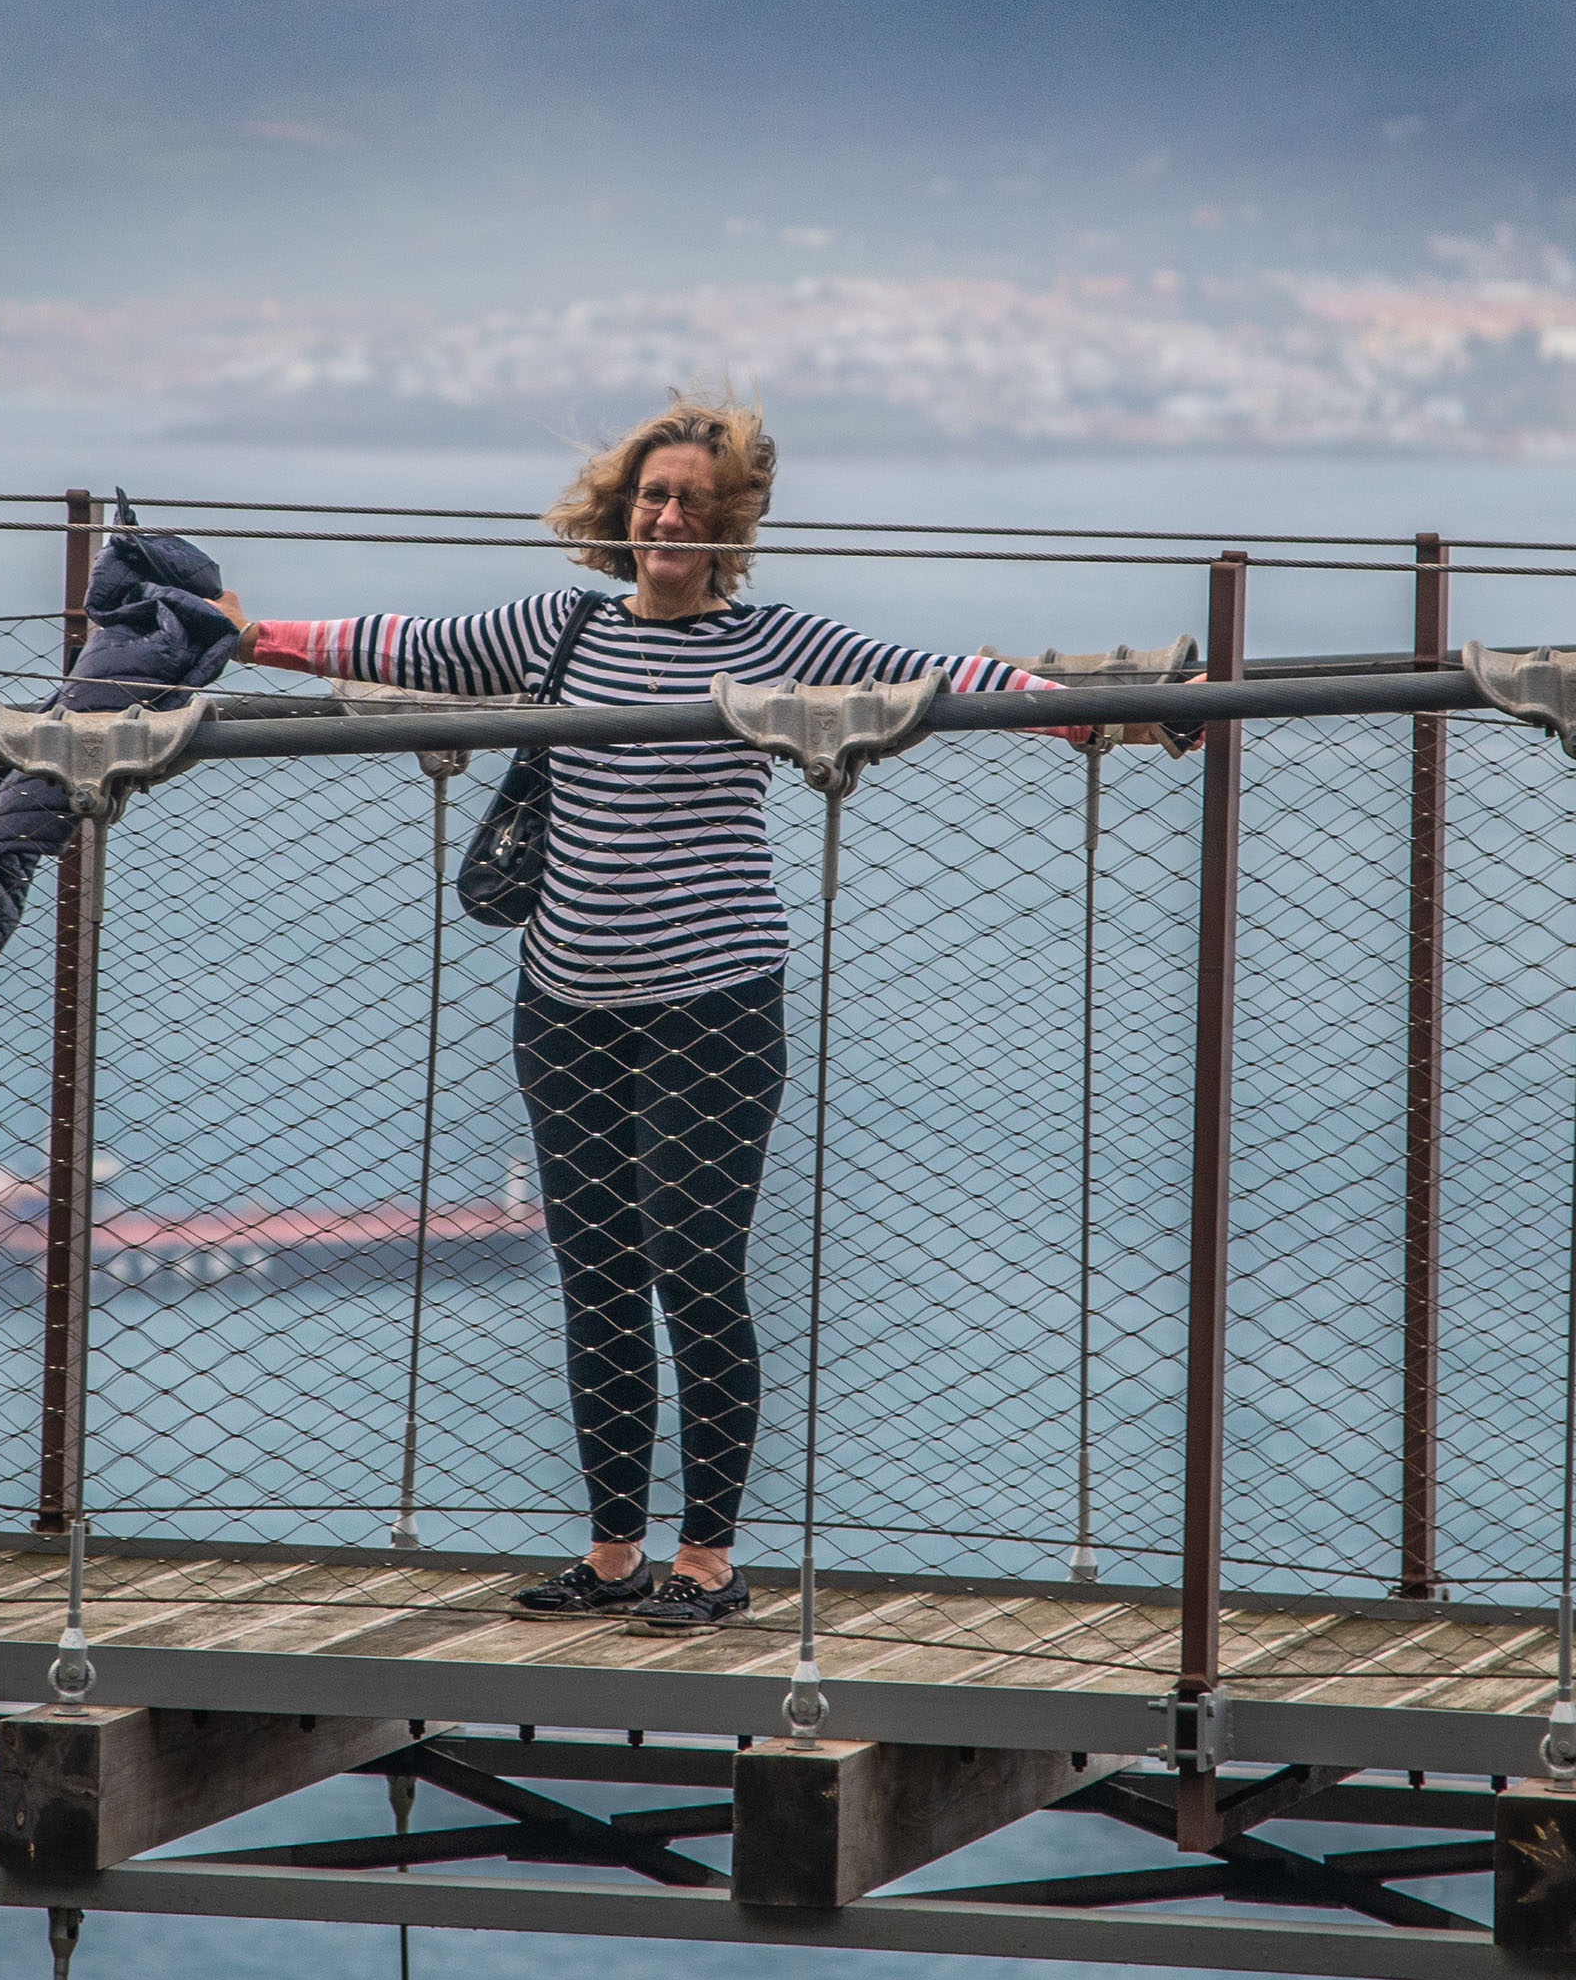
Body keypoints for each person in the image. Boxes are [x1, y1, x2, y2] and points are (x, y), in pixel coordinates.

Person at [225, 398, 1051, 1634]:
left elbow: (936, 680)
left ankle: (709, 1562)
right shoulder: (561, 628)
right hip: (564, 1005)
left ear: (733, 530)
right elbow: (405, 644)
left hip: (712, 1006)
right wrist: (250, 637)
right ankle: (612, 1552)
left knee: (695, 1273)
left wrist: (1094, 710)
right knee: (597, 1277)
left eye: (696, 508)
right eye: (653, 500)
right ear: (623, 513)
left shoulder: (773, 641)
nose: (670, 520)